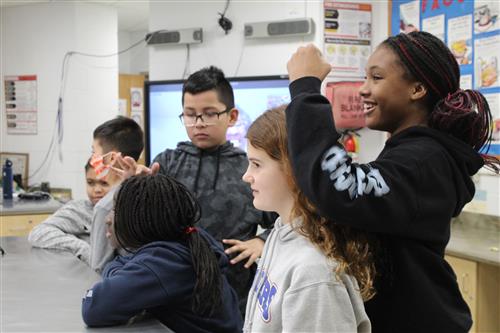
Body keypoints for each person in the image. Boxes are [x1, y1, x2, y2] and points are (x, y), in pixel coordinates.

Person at [285, 31, 500, 332]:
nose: (363, 89)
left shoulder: (424, 161)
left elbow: (339, 188)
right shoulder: (410, 154)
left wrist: (306, 88)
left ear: (417, 89)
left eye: (376, 77)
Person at [150, 66, 275, 314]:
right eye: (190, 115)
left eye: (209, 114)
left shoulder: (250, 168)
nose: (199, 124)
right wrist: (135, 191)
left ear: (231, 116)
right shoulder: (166, 163)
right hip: (173, 292)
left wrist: (262, 241)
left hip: (233, 297)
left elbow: (287, 223)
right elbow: (145, 229)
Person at [242, 106, 374, 332]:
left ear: (294, 169)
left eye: (256, 164)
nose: (246, 176)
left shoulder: (313, 273)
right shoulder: (280, 232)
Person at [82, 174, 243, 333]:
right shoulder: (184, 245)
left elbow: (93, 307)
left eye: (115, 210)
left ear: (142, 218)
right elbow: (124, 263)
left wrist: (117, 274)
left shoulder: (162, 264)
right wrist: (121, 274)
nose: (108, 219)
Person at [89, 116, 144, 272]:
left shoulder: (107, 207)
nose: (92, 160)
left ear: (112, 158)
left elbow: (97, 268)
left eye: (94, 153)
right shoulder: (147, 194)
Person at [28, 160, 111, 263]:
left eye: (104, 183)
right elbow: (38, 233)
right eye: (90, 183)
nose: (97, 190)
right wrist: (82, 248)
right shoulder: (79, 210)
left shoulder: (128, 213)